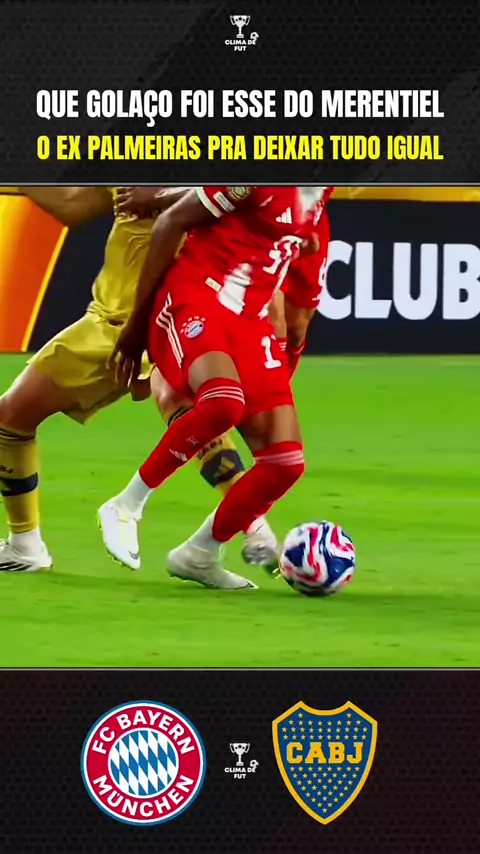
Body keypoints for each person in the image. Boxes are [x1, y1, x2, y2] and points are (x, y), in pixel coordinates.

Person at [0, 187, 276, 573]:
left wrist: (162, 196)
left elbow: (236, 201)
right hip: (141, 320)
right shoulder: (134, 162)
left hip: (147, 318)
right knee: (189, 413)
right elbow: (74, 205)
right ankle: (256, 529)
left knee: (11, 419)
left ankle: (26, 544)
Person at [99, 185, 326, 589]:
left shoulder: (318, 209)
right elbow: (173, 221)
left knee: (285, 462)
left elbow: (300, 315)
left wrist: (276, 380)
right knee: (223, 403)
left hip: (249, 323)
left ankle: (198, 555)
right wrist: (137, 325)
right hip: (197, 295)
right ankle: (125, 505)